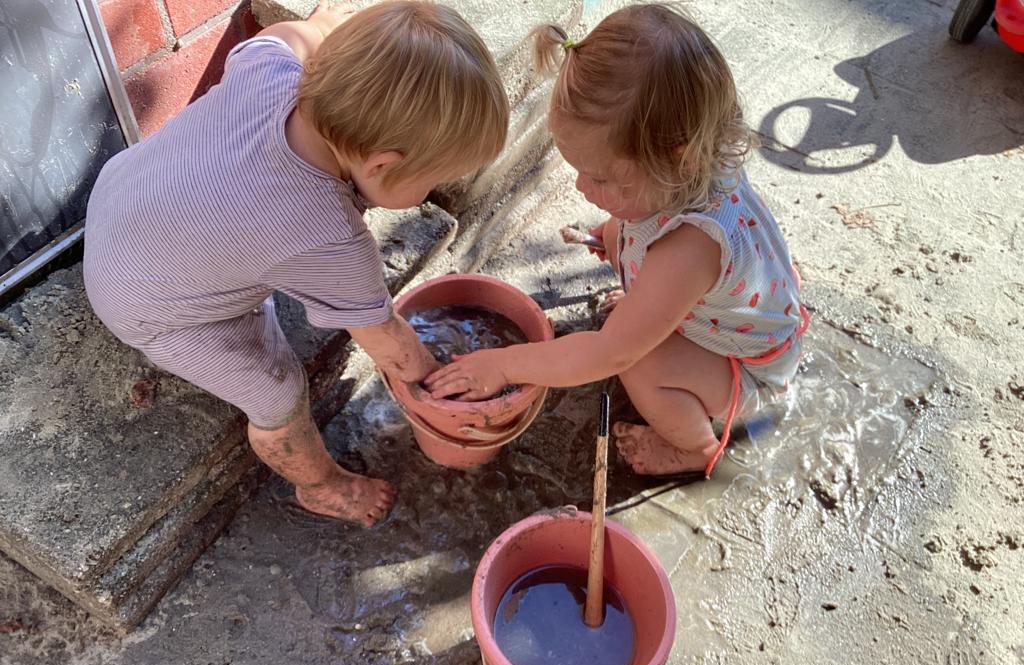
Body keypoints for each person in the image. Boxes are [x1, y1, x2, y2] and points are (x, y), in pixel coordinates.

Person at [84, 1, 509, 526]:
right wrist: (438, 379)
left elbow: (301, 31)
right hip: (149, 308)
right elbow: (387, 343)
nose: (431, 192)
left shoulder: (273, 68)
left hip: (116, 204)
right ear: (381, 165)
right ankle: (320, 485)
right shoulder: (332, 239)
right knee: (278, 389)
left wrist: (329, 26)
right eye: (430, 181)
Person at [425, 4, 808, 478]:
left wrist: (504, 366)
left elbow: (608, 353)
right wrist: (611, 238)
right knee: (618, 231)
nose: (584, 189)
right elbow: (639, 226)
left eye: (600, 178)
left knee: (640, 362)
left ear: (680, 161)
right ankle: (652, 309)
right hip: (733, 310)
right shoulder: (685, 174)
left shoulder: (690, 248)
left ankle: (694, 449)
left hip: (749, 371)